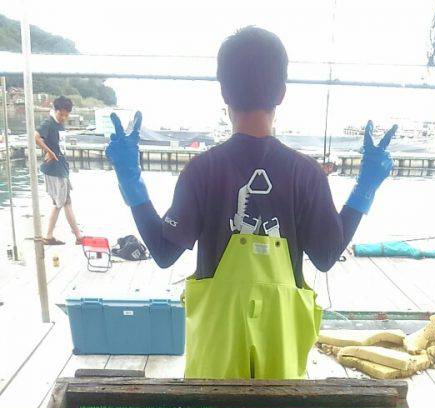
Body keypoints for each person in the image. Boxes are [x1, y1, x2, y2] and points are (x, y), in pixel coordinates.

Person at [106, 27, 396, 379]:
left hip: (217, 341)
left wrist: (131, 181)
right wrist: (364, 188)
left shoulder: (202, 170)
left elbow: (164, 252)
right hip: (282, 340)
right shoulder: (306, 174)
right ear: (282, 93)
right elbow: (326, 256)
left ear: (225, 92)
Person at [35, 96, 83, 246]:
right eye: (61, 114)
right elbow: (36, 136)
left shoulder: (59, 125)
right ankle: (76, 236)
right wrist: (48, 151)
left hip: (61, 168)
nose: (63, 117)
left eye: (66, 115)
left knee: (61, 203)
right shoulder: (49, 122)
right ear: (55, 111)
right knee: (63, 203)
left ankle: (51, 236)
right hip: (55, 170)